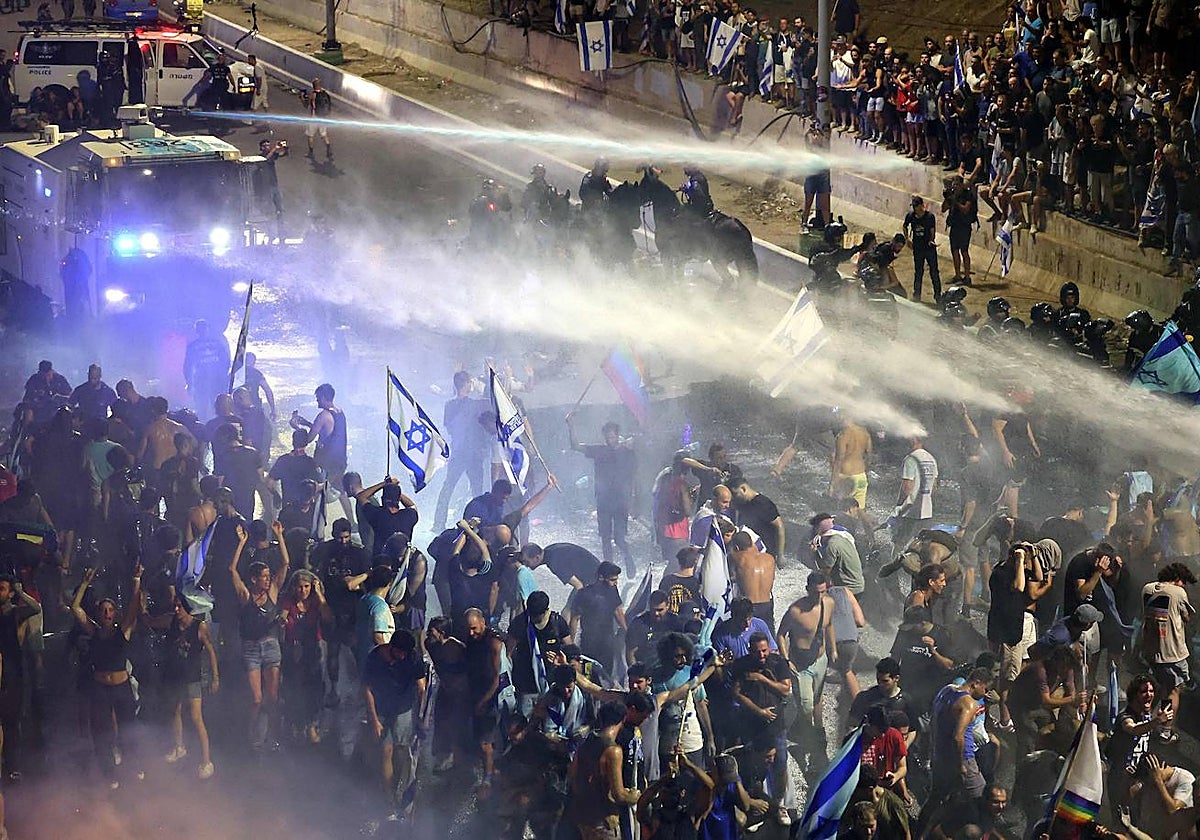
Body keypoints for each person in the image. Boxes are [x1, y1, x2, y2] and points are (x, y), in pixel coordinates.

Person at [69, 565, 142, 787]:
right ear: (99, 615)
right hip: (100, 688)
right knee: (101, 731)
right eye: (104, 611)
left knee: (128, 727)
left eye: (110, 610)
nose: (107, 614)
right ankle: (109, 774)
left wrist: (137, 579)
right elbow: (76, 608)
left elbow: (134, 607)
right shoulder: (94, 631)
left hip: (121, 688)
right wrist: (84, 583)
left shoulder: (123, 633)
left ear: (115, 613)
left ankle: (133, 766)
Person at [140, 590, 217, 779]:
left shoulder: (199, 627)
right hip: (175, 677)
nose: (176, 609)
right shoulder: (170, 620)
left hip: (192, 678)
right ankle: (179, 747)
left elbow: (211, 651)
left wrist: (215, 677)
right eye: (175, 605)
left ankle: (207, 761)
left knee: (196, 716)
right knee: (175, 710)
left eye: (179, 606)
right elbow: (149, 621)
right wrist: (140, 603)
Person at [230, 521, 290, 753]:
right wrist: (242, 543)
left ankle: (271, 737)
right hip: (251, 648)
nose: (268, 579)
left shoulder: (273, 591)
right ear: (254, 579)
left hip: (271, 645)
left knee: (272, 698)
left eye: (268, 576)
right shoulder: (245, 594)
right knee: (256, 699)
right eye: (263, 576)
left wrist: (279, 536)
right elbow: (232, 570)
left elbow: (285, 563)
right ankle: (252, 735)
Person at [362, 629, 427, 824]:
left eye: (406, 653)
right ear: (392, 647)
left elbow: (421, 687)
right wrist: (374, 719)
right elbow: (366, 689)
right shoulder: (375, 657)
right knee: (386, 751)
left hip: (404, 709)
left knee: (402, 751)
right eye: (400, 652)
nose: (403, 656)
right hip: (381, 709)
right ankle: (389, 802)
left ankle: (401, 792)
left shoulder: (412, 658)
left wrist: (421, 716)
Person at [777, 571, 837, 775]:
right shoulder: (795, 611)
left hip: (820, 658)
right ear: (807, 589)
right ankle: (806, 736)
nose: (819, 597)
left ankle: (816, 737)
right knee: (805, 705)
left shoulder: (829, 603)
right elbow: (781, 634)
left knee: (817, 698)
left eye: (822, 592)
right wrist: (786, 659)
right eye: (815, 592)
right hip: (800, 664)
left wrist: (833, 648)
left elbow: (828, 625)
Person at [729, 631, 792, 820]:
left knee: (780, 764)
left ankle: (780, 803)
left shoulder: (779, 663)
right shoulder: (741, 665)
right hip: (752, 725)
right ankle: (753, 803)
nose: (761, 655)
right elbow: (737, 693)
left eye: (764, 651)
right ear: (750, 650)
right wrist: (758, 711)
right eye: (757, 652)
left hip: (776, 724)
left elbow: (785, 689)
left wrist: (762, 678)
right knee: (751, 765)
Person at [567, 417, 637, 571]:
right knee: (605, 537)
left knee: (619, 538)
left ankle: (627, 557)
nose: (610, 439)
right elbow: (576, 446)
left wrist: (632, 500)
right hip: (603, 501)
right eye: (607, 436)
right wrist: (571, 425)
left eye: (612, 436)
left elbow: (632, 477)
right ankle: (609, 569)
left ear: (617, 436)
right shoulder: (599, 450)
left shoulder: (626, 452)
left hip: (620, 501)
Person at [567, 700, 642, 840]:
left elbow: (572, 776)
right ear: (623, 719)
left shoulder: (586, 743)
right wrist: (636, 795)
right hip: (603, 820)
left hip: (583, 817)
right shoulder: (613, 751)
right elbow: (619, 794)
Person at [1140, 562, 1195, 730]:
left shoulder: (1147, 589)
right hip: (1172, 653)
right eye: (1183, 582)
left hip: (1151, 651)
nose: (1183, 586)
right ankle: (1165, 730)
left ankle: (1146, 721)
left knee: (1161, 687)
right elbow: (1187, 617)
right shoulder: (1178, 592)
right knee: (1173, 692)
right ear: (1177, 579)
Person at [279, 569, 331, 744]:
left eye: (306, 587)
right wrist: (282, 621)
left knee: (315, 687)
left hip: (313, 648)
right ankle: (295, 723)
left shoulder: (316, 602)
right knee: (293, 687)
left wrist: (319, 594)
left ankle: (312, 724)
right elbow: (283, 615)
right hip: (293, 648)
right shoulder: (289, 601)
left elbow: (327, 617)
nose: (303, 591)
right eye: (299, 587)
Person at [291, 383, 353, 526]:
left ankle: (318, 523)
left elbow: (308, 439)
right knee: (340, 489)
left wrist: (297, 427)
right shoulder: (339, 412)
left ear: (325, 397)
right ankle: (352, 521)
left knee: (318, 492)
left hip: (325, 462)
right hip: (340, 459)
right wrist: (306, 422)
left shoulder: (323, 415)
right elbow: (326, 430)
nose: (317, 401)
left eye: (318, 398)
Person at [434, 371, 486, 531]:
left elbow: (448, 428)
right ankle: (479, 523)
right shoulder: (475, 404)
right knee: (477, 490)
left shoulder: (449, 405)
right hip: (472, 453)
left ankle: (438, 523)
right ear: (466, 384)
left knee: (448, 487)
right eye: (470, 382)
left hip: (458, 451)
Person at [507, 589, 572, 714]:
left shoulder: (557, 623)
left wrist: (561, 659)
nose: (535, 618)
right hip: (526, 685)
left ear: (546, 610)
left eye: (538, 615)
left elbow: (570, 649)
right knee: (526, 721)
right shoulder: (520, 623)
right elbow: (508, 653)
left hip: (552, 684)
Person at [463, 607, 505, 793]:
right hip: (475, 693)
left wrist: (483, 702)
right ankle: (490, 770)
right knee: (478, 738)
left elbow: (497, 678)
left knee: (485, 742)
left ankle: (487, 779)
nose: (471, 633)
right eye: (468, 629)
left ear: (483, 623)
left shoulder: (493, 643)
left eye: (474, 628)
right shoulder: (472, 640)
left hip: (491, 697)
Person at [571, 562, 627, 674]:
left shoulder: (612, 591)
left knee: (606, 675)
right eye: (612, 580)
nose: (615, 583)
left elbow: (618, 612)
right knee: (589, 675)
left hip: (607, 643)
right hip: (588, 645)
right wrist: (571, 644)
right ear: (601, 577)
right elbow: (575, 619)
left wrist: (627, 632)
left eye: (616, 580)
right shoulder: (583, 594)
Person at [892, 435, 939, 549]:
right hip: (927, 512)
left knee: (900, 543)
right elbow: (934, 486)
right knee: (921, 545)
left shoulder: (911, 459)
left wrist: (899, 505)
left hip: (910, 511)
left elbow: (907, 487)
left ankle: (898, 566)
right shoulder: (931, 458)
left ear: (914, 440)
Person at [183, 320, 231, 422]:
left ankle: (212, 424)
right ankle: (208, 424)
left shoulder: (216, 344)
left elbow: (226, 361)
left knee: (210, 403)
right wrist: (189, 382)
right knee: (206, 404)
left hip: (212, 379)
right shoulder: (195, 346)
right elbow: (188, 366)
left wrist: (222, 375)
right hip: (204, 379)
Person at [728, 531, 776, 625]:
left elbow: (730, 573)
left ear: (737, 547)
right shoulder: (770, 559)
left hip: (749, 606)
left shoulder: (737, 558)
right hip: (767, 604)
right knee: (766, 634)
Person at [626, 591, 683, 667]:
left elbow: (682, 647)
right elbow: (631, 652)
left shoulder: (675, 622)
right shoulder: (638, 624)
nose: (656, 614)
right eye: (653, 610)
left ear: (667, 606)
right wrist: (636, 672)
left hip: (669, 669)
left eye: (660, 610)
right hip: (646, 669)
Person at [731, 479, 784, 561]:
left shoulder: (763, 504)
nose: (732, 498)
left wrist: (780, 555)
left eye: (734, 494)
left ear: (743, 489)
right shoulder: (741, 503)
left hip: (764, 552)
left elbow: (780, 526)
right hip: (746, 551)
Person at [903, 195, 942, 302]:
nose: (915, 209)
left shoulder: (929, 217)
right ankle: (917, 294)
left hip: (928, 248)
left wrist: (931, 240)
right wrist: (907, 239)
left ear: (921, 206)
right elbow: (905, 226)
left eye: (917, 206)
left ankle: (938, 295)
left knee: (934, 272)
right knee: (918, 271)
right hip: (917, 247)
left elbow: (932, 230)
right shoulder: (910, 216)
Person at [830, 415, 873, 507]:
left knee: (842, 511)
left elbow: (839, 459)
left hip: (846, 477)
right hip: (861, 476)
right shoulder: (865, 433)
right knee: (860, 510)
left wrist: (833, 482)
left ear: (845, 418)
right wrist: (866, 472)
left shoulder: (843, 435)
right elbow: (869, 455)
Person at [660, 546, 702, 614]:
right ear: (695, 561)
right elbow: (698, 608)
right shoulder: (696, 584)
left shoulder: (666, 580)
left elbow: (659, 602)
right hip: (688, 623)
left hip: (669, 622)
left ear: (679, 561)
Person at [301, 76, 332, 159]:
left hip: (314, 117)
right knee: (323, 134)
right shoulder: (325, 94)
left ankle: (310, 152)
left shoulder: (313, 95)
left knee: (310, 135)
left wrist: (302, 98)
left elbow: (306, 105)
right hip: (323, 117)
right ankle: (328, 148)